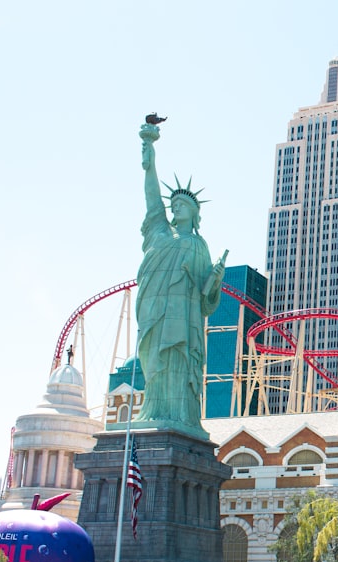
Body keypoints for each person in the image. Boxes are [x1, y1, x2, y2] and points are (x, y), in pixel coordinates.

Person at [135, 120, 225, 436]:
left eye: (183, 204)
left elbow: (204, 300)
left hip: (184, 319)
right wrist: (150, 155)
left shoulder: (199, 244)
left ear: (194, 212)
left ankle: (182, 416)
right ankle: (154, 412)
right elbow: (150, 195)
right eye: (174, 203)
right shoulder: (159, 230)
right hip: (155, 312)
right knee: (154, 363)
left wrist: (214, 281)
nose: (176, 207)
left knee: (180, 364)